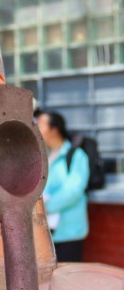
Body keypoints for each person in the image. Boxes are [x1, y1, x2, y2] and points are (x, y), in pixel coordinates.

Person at [37, 111, 91, 263]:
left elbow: (73, 190)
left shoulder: (76, 155)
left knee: (65, 279)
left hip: (68, 232)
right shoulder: (43, 156)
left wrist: (44, 208)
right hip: (45, 232)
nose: (36, 128)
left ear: (54, 129)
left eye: (40, 124)